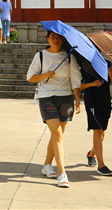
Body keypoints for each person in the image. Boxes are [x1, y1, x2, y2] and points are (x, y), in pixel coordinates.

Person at [26, 31, 82, 188]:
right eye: (52, 37)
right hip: (46, 97)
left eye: (58, 37)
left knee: (58, 135)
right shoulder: (41, 56)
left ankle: (46, 165)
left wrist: (78, 99)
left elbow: (75, 78)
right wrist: (45, 75)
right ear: (47, 39)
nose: (55, 40)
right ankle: (62, 174)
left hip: (65, 97)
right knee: (57, 134)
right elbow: (30, 77)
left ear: (62, 39)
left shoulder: (69, 56)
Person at [80, 59, 112, 175]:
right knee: (97, 131)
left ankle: (91, 154)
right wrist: (92, 84)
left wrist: (110, 74)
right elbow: (78, 86)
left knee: (102, 133)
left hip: (105, 102)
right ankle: (101, 165)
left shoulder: (107, 63)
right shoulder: (84, 65)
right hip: (92, 101)